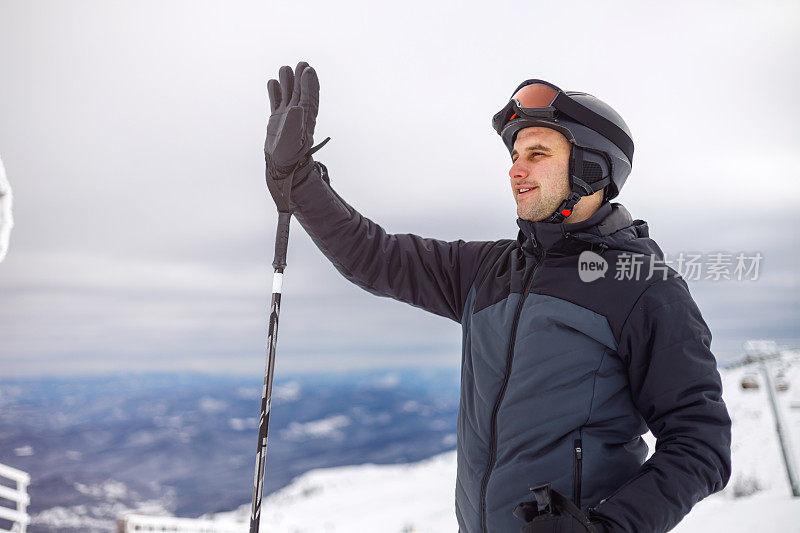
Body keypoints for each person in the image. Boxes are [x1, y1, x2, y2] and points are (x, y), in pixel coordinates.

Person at [263, 62, 732, 533]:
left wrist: (607, 527)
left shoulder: (646, 288)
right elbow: (373, 256)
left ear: (593, 166)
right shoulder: (489, 270)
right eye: (514, 156)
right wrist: (299, 180)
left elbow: (700, 443)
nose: (516, 170)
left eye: (537, 153)